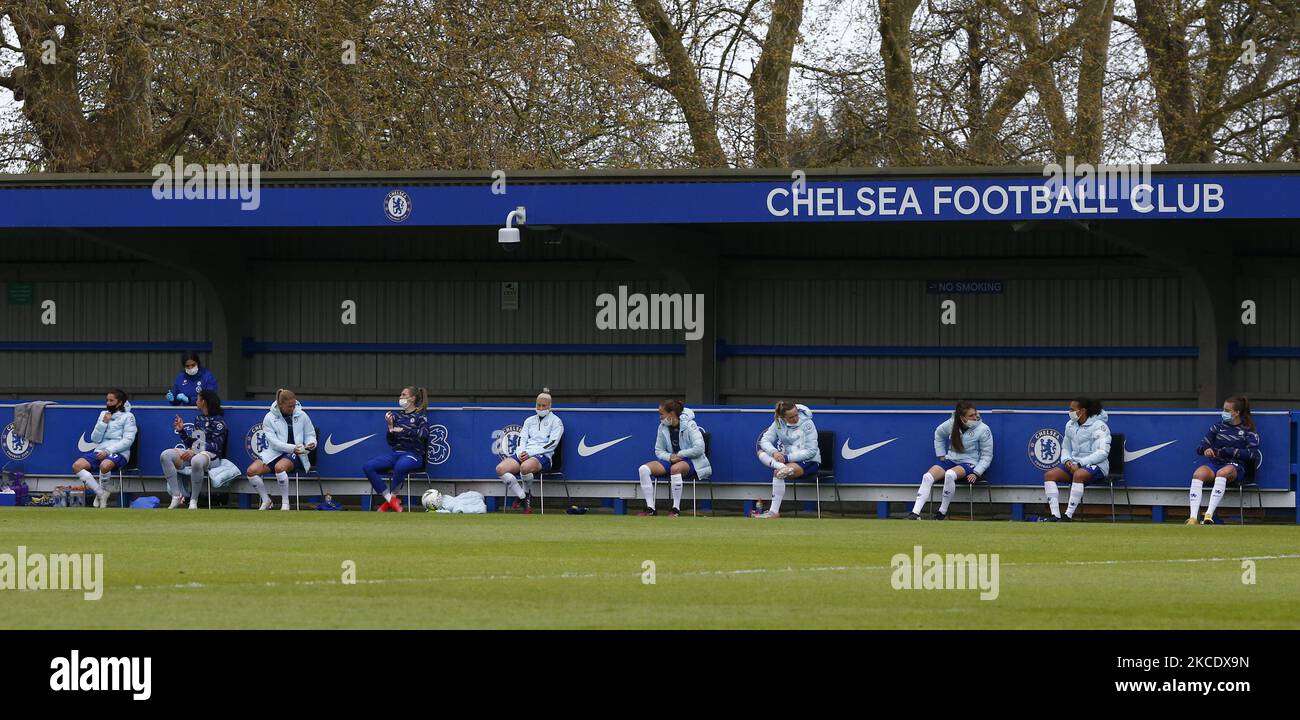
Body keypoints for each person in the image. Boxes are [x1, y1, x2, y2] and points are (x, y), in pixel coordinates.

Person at [908, 400, 993, 520]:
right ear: (962, 417)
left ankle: (942, 512)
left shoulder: (984, 429)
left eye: (975, 414)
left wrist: (976, 472)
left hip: (970, 463)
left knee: (949, 474)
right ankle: (915, 513)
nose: (975, 417)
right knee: (927, 477)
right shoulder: (951, 423)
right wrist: (941, 455)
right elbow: (938, 433)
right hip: (950, 460)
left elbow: (987, 455)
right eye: (971, 415)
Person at [1188, 395, 1261, 525]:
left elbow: (1252, 454)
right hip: (1215, 463)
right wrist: (1206, 450)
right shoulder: (1217, 427)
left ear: (1237, 413)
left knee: (1222, 473)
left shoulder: (1248, 431)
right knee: (1198, 474)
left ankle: (1208, 516)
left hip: (1235, 466)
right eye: (1223, 410)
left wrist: (1230, 451)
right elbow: (1201, 447)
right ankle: (1193, 518)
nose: (1224, 413)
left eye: (1227, 411)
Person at [1038, 398, 1110, 522]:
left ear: (1082, 411)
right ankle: (1055, 516)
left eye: (1072, 409)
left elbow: (1103, 452)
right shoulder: (1070, 425)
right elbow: (1065, 447)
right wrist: (1067, 461)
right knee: (1049, 475)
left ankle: (1068, 516)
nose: (1069, 411)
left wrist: (1080, 463)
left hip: (1098, 466)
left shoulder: (1100, 426)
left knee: (1078, 474)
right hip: (1074, 464)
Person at [636, 400, 711, 517]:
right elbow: (659, 450)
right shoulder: (662, 427)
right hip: (671, 460)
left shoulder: (690, 425)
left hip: (692, 461)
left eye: (662, 414)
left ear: (671, 414)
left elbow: (699, 448)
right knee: (643, 469)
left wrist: (680, 455)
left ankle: (676, 509)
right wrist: (670, 457)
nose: (660, 417)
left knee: (675, 469)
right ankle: (650, 508)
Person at [246, 389, 317, 511]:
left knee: (280, 467)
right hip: (275, 452)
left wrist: (311, 443)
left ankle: (285, 503)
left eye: (294, 405)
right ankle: (266, 500)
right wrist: (292, 448)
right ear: (280, 405)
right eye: (290, 406)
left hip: (298, 454)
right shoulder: (269, 417)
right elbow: (274, 442)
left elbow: (310, 434)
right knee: (251, 471)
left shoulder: (302, 415)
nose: (293, 408)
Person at [495, 388, 563, 514]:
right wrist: (521, 452)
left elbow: (553, 444)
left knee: (525, 467)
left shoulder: (557, 422)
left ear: (550, 406)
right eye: (538, 405)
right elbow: (522, 439)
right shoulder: (529, 420)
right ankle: (524, 496)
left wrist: (530, 454)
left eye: (544, 406)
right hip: (524, 453)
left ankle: (525, 496)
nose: (541, 408)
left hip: (543, 456)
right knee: (500, 469)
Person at [364, 386, 430, 513]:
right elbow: (391, 442)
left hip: (414, 455)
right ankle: (390, 500)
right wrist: (390, 428)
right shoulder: (397, 416)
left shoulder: (420, 416)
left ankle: (389, 502)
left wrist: (405, 430)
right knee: (368, 466)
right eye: (400, 395)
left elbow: (424, 434)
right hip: (396, 454)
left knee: (400, 466)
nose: (400, 398)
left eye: (404, 395)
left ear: (412, 398)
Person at [160, 389, 229, 510]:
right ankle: (176, 496)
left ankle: (193, 501)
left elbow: (216, 446)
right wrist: (181, 431)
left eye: (198, 399)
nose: (196, 401)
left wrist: (195, 451)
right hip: (195, 453)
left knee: (196, 460)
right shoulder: (199, 419)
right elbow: (193, 442)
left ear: (204, 402)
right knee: (165, 455)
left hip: (212, 457)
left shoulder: (219, 421)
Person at [754, 401, 820, 519]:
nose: (795, 418)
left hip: (810, 461)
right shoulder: (778, 423)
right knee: (760, 451)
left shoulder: (808, 423)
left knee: (778, 473)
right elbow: (764, 441)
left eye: (796, 415)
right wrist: (774, 452)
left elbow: (811, 451)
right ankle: (782, 467)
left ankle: (773, 512)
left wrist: (786, 457)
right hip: (787, 461)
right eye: (791, 417)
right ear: (782, 417)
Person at [72, 389, 136, 509]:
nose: (108, 403)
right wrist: (103, 423)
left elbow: (128, 441)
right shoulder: (103, 414)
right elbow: (95, 439)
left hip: (120, 452)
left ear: (120, 402)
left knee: (105, 465)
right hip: (100, 450)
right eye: (107, 400)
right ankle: (101, 493)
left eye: (111, 400)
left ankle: (102, 491)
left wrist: (108, 451)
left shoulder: (129, 416)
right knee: (77, 466)